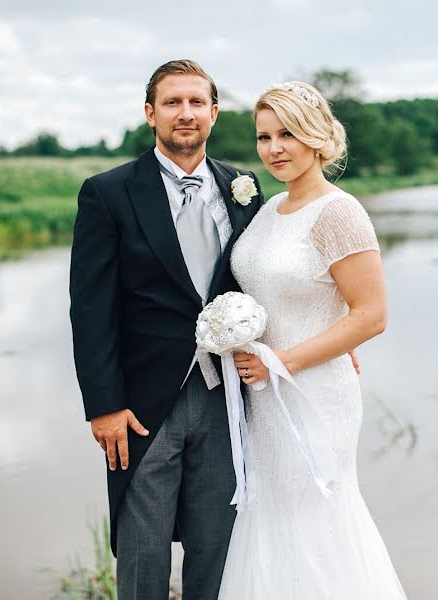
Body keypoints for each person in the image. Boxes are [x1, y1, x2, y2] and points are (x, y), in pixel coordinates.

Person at [68, 59, 264, 600]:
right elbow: (90, 309)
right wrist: (103, 404)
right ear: (150, 114)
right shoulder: (107, 193)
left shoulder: (242, 188)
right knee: (143, 550)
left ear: (214, 112)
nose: (186, 113)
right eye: (173, 103)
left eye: (197, 102)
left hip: (225, 397)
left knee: (217, 545)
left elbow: (262, 284)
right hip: (141, 404)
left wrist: (325, 348)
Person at [220, 82, 408, 598]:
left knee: (315, 515)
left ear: (318, 136)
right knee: (272, 515)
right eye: (264, 136)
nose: (275, 148)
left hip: (313, 392)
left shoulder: (339, 212)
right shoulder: (267, 206)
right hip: (262, 399)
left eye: (288, 134)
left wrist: (283, 361)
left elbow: (371, 315)